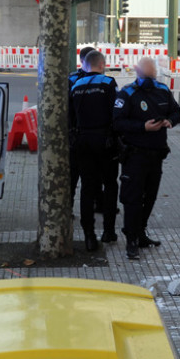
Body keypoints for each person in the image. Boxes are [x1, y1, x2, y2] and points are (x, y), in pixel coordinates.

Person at [113, 56, 180, 259]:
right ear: (138, 73)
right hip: (134, 156)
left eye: (152, 76)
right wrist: (143, 127)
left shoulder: (162, 90)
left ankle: (141, 233)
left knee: (149, 197)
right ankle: (131, 240)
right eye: (146, 76)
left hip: (156, 155)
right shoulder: (126, 93)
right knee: (132, 199)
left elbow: (176, 110)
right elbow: (117, 123)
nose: (149, 80)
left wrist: (170, 120)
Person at [69, 51, 119, 251]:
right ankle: (108, 231)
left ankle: (89, 235)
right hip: (105, 142)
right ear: (102, 64)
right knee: (110, 185)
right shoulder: (108, 83)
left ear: (86, 65)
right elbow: (115, 113)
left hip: (82, 142)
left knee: (88, 188)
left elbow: (71, 117)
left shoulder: (76, 86)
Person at [68, 46, 97, 204]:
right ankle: (97, 203)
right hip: (96, 134)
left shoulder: (72, 79)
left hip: (75, 134)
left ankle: (68, 207)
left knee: (73, 174)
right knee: (95, 174)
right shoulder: (103, 80)